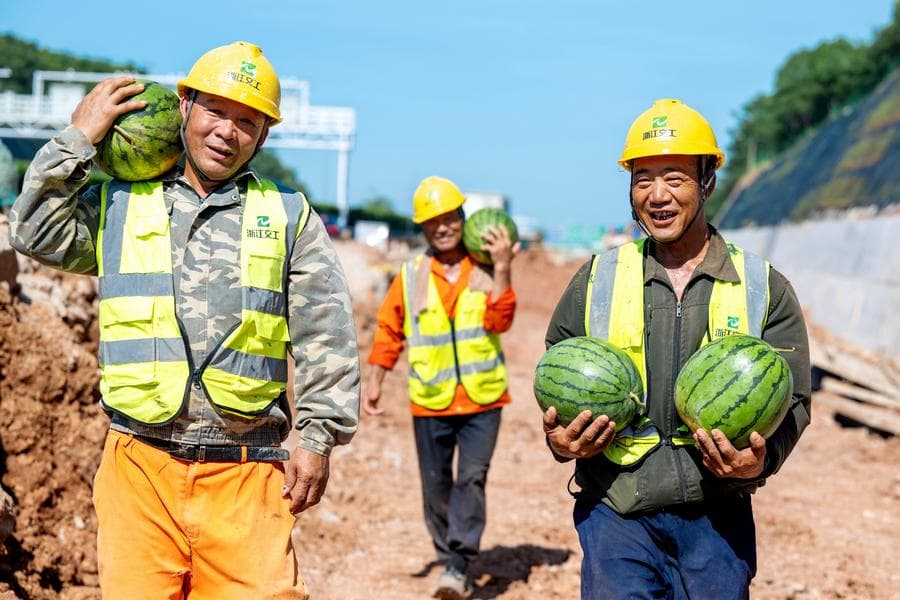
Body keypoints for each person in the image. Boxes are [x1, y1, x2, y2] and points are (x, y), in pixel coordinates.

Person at [8, 41, 360, 599]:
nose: (227, 131)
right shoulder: (119, 205)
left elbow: (327, 336)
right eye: (216, 111)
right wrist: (77, 139)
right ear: (185, 107)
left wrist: (317, 438)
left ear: (264, 135)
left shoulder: (289, 215)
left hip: (246, 476)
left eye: (248, 121)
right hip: (138, 471)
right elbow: (35, 233)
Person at [542, 98, 811, 599]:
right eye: (643, 179)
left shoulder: (763, 286)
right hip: (615, 509)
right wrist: (559, 442)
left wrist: (761, 461)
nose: (657, 195)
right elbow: (556, 368)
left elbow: (794, 401)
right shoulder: (597, 279)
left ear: (707, 181)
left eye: (676, 177)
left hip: (717, 516)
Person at [362, 176, 518, 599]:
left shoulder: (485, 268)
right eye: (433, 222)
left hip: (483, 399)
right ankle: (447, 551)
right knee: (435, 487)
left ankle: (458, 563)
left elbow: (501, 320)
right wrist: (374, 379)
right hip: (431, 401)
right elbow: (389, 329)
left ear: (462, 220)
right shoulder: (411, 275)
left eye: (450, 218)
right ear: (423, 229)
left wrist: (503, 267)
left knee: (472, 478)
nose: (443, 227)